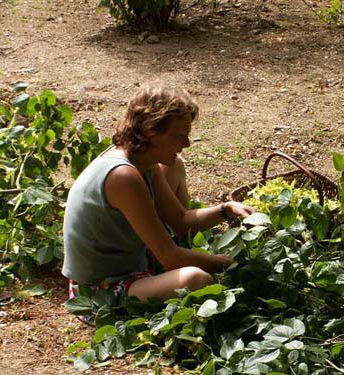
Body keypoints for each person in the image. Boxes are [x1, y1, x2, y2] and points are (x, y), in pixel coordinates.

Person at [62, 84, 255, 307]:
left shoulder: (143, 159)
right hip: (102, 291)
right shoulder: (123, 176)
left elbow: (182, 221)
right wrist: (233, 265)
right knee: (197, 279)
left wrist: (226, 209)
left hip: (136, 263)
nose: (187, 144)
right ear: (150, 131)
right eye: (179, 136)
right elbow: (170, 257)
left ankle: (176, 261)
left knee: (175, 165)